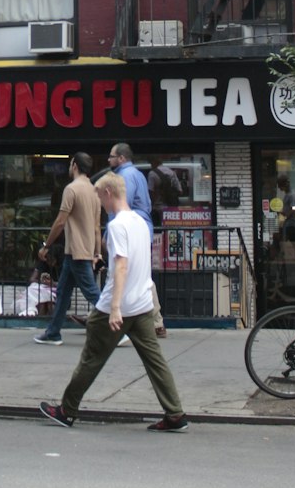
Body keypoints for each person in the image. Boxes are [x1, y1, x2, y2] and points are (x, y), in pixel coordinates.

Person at [38, 172, 188, 433]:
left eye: (99, 197)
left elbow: (121, 265)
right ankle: (175, 414)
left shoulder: (117, 225)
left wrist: (115, 307)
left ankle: (66, 410)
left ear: (108, 193)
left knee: (91, 359)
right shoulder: (142, 222)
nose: (100, 203)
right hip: (142, 305)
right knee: (155, 361)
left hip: (115, 306)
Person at [32, 152, 102, 344]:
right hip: (80, 250)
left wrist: (46, 245)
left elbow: (60, 221)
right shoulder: (94, 191)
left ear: (75, 166)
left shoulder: (71, 189)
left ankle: (120, 328)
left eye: (71, 164)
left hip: (76, 250)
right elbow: (97, 227)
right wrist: (97, 252)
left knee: (91, 292)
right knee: (62, 292)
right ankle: (53, 332)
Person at [109, 142, 167, 337]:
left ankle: (150, 321)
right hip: (142, 229)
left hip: (130, 232)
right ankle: (152, 322)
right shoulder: (139, 175)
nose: (109, 160)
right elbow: (147, 204)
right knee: (139, 275)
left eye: (112, 156)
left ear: (121, 158)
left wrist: (109, 233)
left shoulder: (124, 177)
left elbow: (120, 205)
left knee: (125, 272)